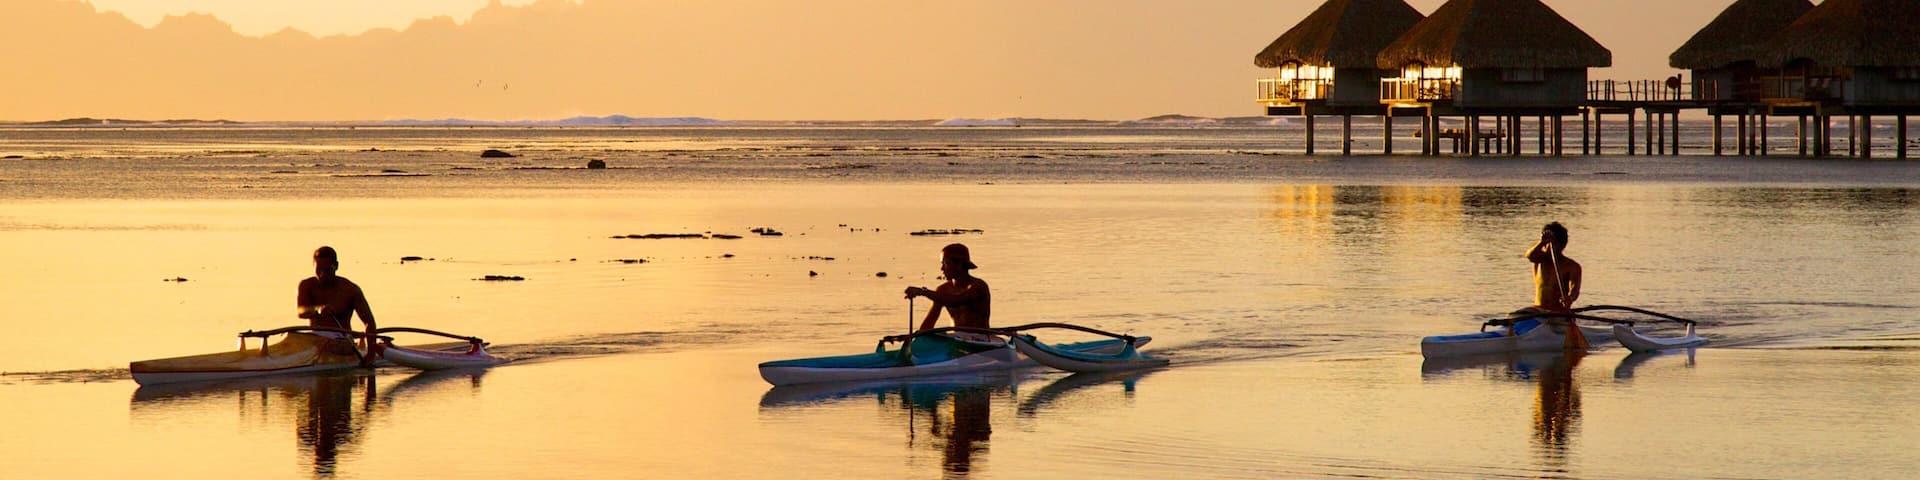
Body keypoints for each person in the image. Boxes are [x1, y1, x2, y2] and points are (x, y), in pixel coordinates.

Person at [297, 246, 379, 363]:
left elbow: (369, 322)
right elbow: (300, 311)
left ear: (336, 266)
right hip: (314, 339)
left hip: (341, 340)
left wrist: (370, 354)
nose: (323, 275)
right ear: (313, 265)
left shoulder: (350, 289)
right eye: (319, 270)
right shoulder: (306, 285)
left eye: (327, 270)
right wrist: (317, 309)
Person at [904, 243, 992, 342]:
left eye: (945, 264)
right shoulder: (942, 290)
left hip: (980, 339)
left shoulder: (978, 286)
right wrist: (918, 340)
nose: (942, 269)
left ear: (959, 265)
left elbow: (954, 301)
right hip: (957, 338)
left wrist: (923, 292)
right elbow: (929, 323)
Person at [1520, 222, 1585, 349]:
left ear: (1562, 245)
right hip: (1537, 311)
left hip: (1558, 314)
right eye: (1546, 244)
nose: (1548, 248)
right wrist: (1541, 242)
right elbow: (1529, 255)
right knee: (1514, 316)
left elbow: (1575, 290)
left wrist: (1570, 298)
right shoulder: (1539, 259)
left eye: (1552, 243)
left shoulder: (1572, 266)